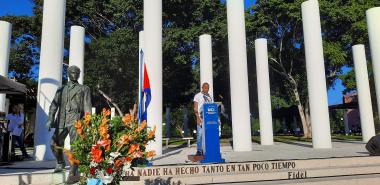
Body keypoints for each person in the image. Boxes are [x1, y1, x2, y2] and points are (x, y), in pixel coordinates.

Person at [46, 65, 91, 183]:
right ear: (68, 74)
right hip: (61, 119)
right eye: (72, 72)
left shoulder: (84, 88)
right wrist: (50, 119)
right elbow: (54, 105)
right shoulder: (61, 88)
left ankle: (73, 172)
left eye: (77, 73)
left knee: (75, 147)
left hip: (76, 119)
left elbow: (87, 106)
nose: (75, 75)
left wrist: (88, 121)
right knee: (53, 144)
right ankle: (60, 162)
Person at [193, 82, 213, 156]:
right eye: (205, 87)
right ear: (202, 87)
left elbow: (212, 108)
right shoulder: (197, 96)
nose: (207, 89)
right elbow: (195, 108)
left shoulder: (209, 96)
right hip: (201, 118)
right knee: (200, 135)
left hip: (209, 119)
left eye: (208, 88)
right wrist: (198, 118)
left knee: (208, 134)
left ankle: (208, 150)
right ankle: (199, 150)